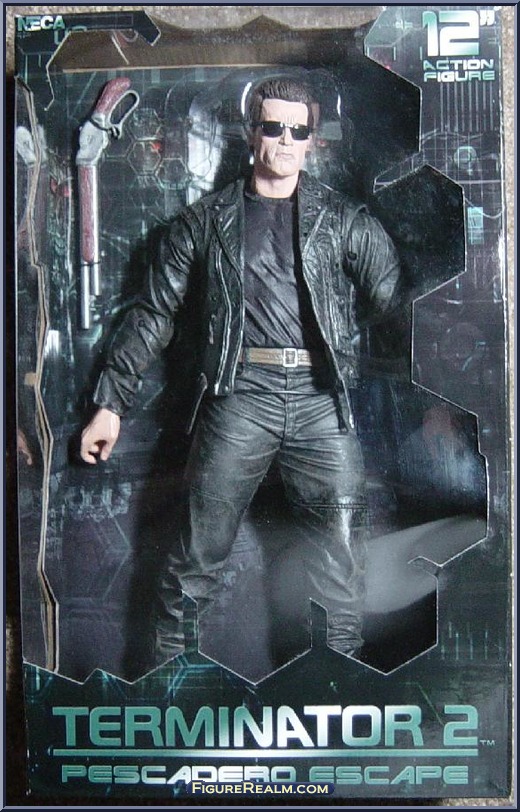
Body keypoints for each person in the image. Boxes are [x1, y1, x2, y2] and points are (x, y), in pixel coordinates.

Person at [80, 77, 404, 665]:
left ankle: (339, 690)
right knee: (195, 561)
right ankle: (168, 691)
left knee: (341, 567)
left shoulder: (342, 220)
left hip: (320, 399)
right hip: (240, 396)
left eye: (298, 131)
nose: (285, 141)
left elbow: (395, 301)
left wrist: (416, 385)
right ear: (251, 132)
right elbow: (154, 314)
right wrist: (110, 404)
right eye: (273, 127)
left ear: (313, 141)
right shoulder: (205, 222)